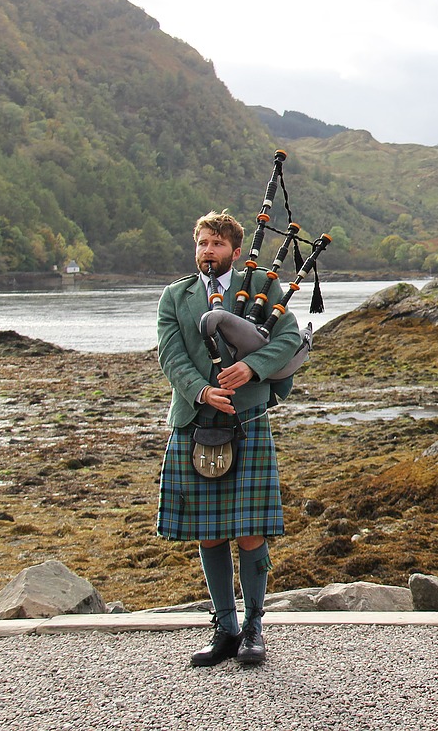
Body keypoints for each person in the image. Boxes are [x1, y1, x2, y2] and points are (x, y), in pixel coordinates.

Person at [156, 211, 302, 668]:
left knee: (250, 530)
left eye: (217, 244)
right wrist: (201, 390)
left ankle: (255, 628)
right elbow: (170, 354)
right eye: (202, 243)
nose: (207, 251)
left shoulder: (262, 289)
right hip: (197, 420)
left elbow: (291, 338)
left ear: (235, 252)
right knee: (209, 533)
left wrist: (252, 367)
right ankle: (225, 627)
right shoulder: (174, 296)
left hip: (248, 417)